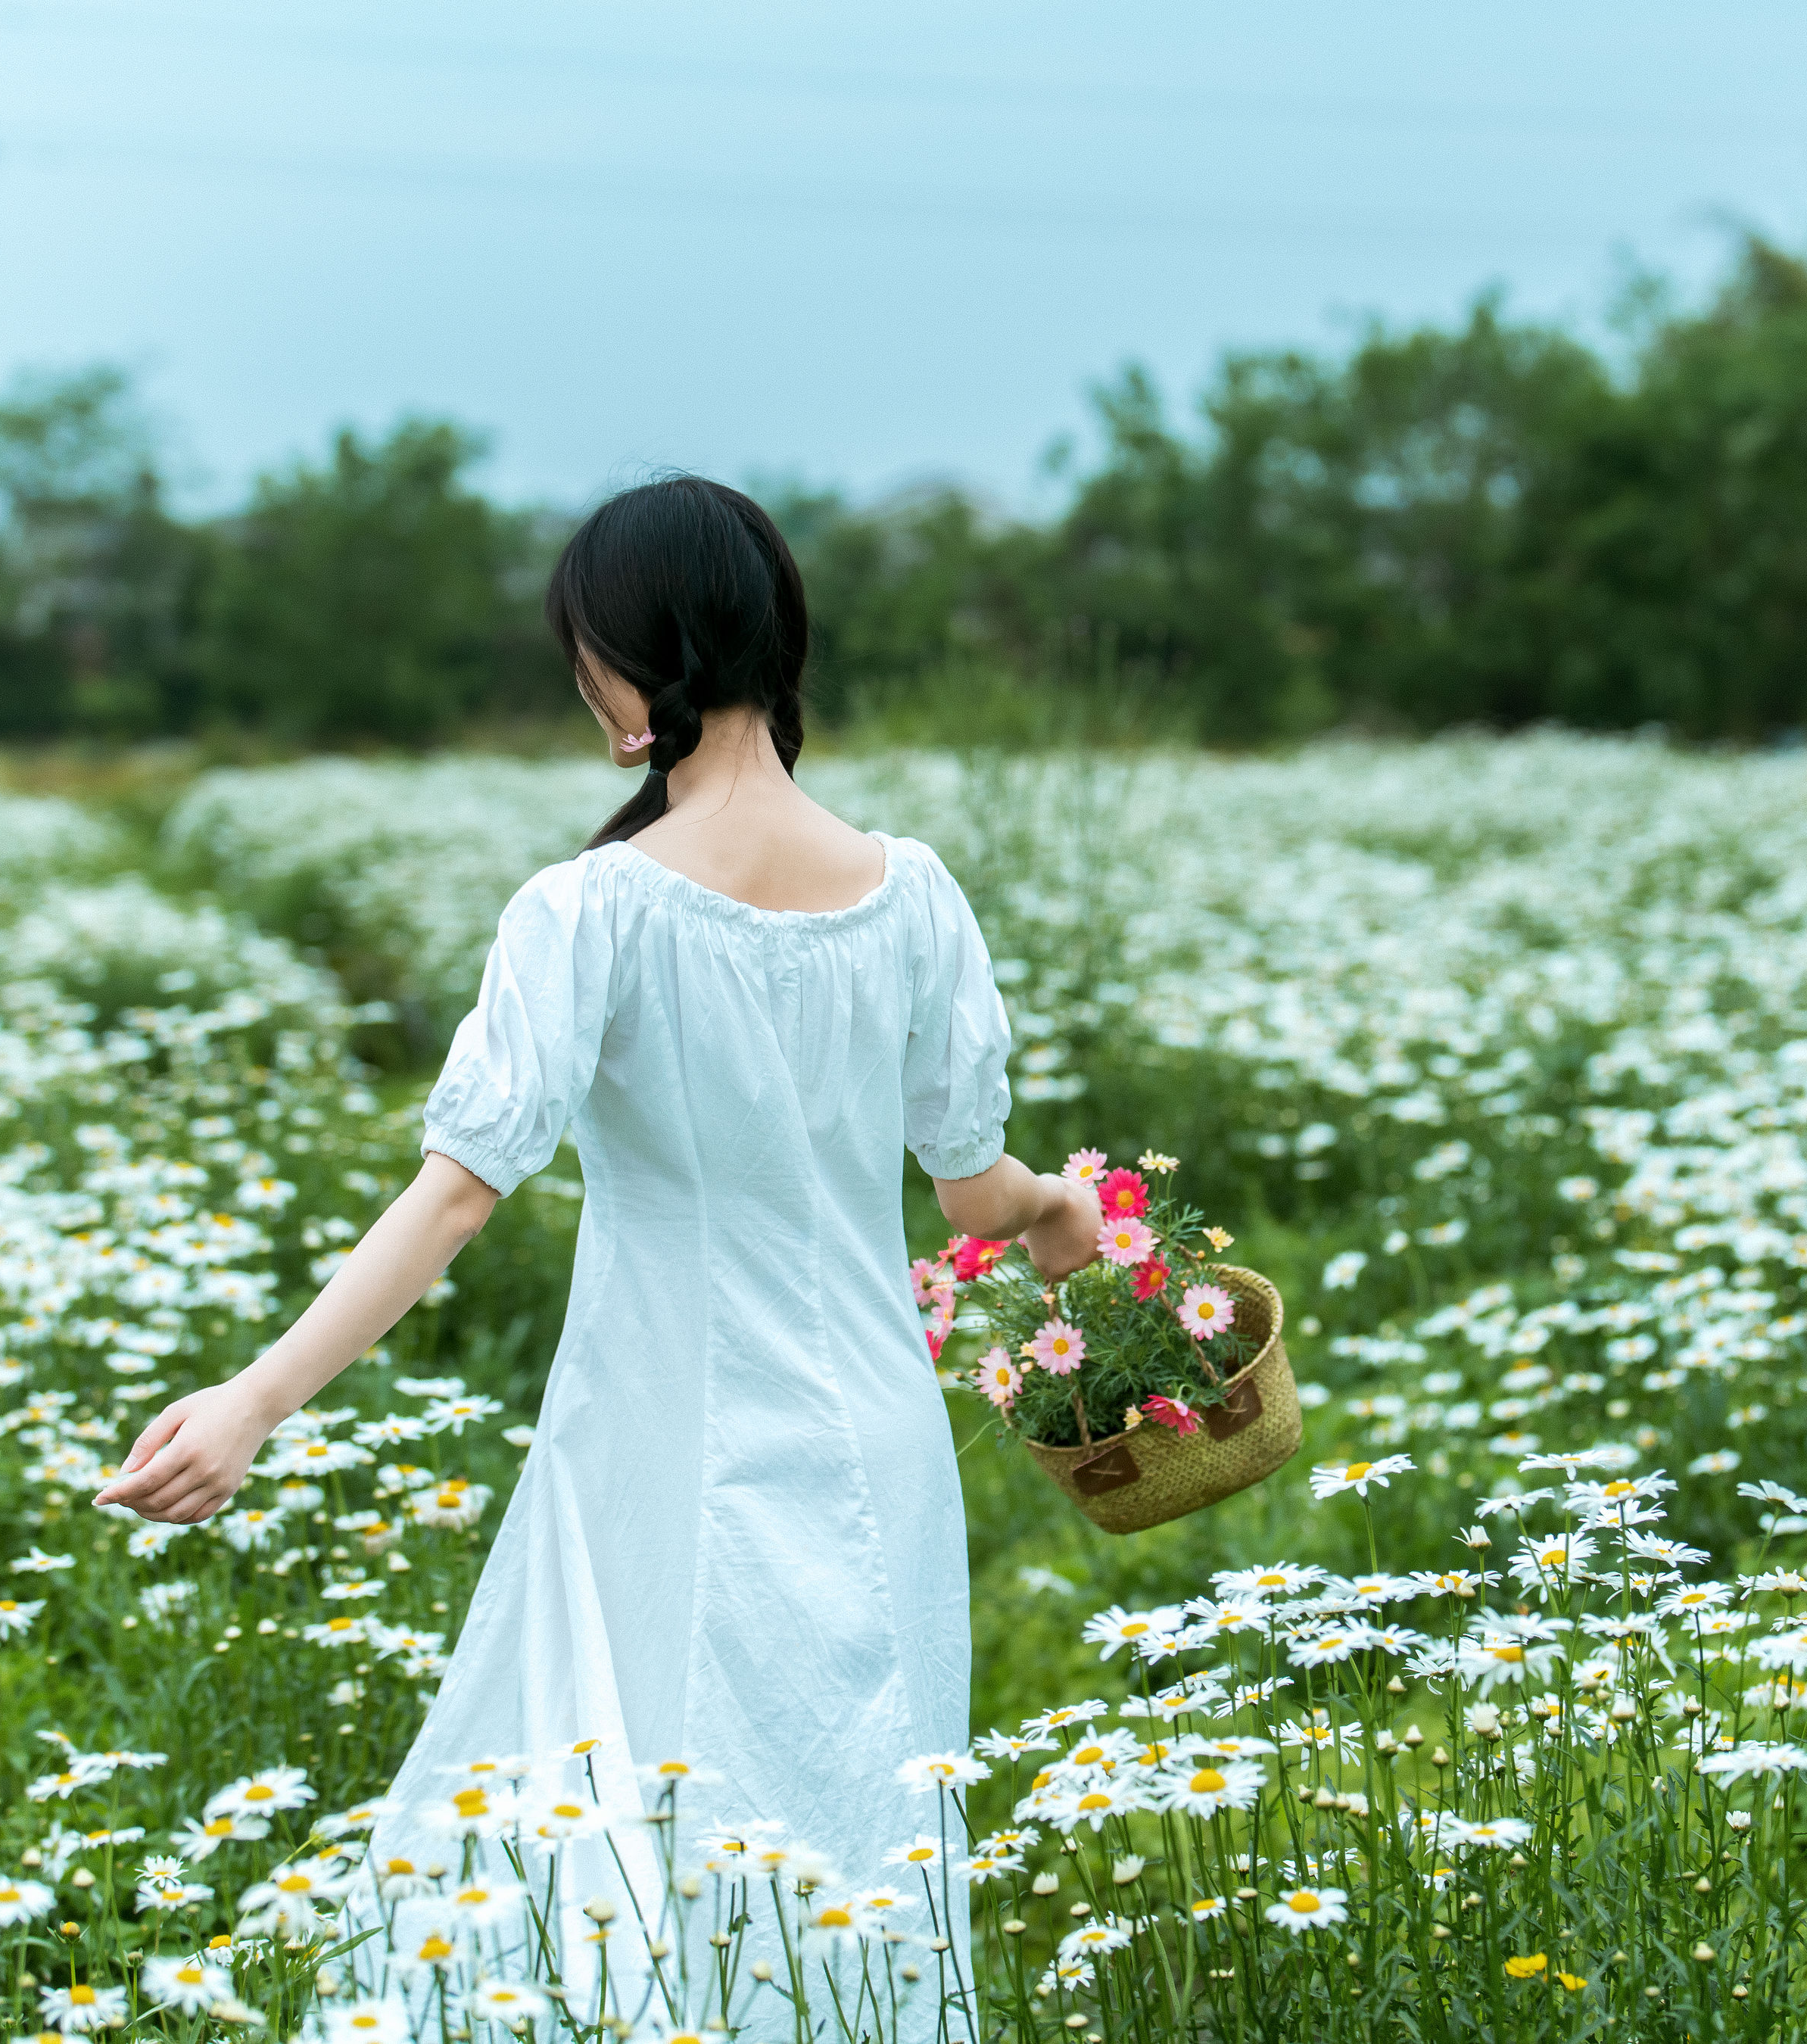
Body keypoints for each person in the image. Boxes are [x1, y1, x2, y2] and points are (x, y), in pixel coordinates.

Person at [92, 475, 1099, 2035]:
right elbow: (972, 1192)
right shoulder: (912, 897)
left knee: (629, 1825)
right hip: (876, 1443)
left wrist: (250, 1400)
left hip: (662, 1432)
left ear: (627, 667)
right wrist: (1054, 1217)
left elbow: (453, 1194)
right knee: (862, 1826)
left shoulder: (593, 909)